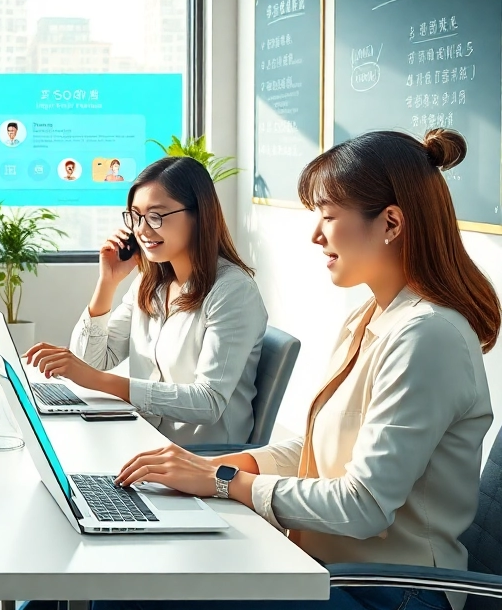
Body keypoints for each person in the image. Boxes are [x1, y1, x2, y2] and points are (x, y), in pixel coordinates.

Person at [100, 129, 499, 610]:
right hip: (327, 567)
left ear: (391, 222)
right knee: (125, 577)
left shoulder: (427, 336)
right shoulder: (371, 316)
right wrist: (221, 467)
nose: (315, 235)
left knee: (136, 592)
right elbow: (319, 448)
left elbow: (364, 506)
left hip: (389, 592)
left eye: (328, 217)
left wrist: (226, 484)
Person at [26, 156, 267, 446]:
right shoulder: (150, 283)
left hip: (200, 458)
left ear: (199, 215)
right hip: (145, 439)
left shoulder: (232, 291)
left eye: (156, 216)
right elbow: (91, 360)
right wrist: (108, 282)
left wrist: (99, 381)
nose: (141, 229)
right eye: (135, 216)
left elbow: (208, 402)